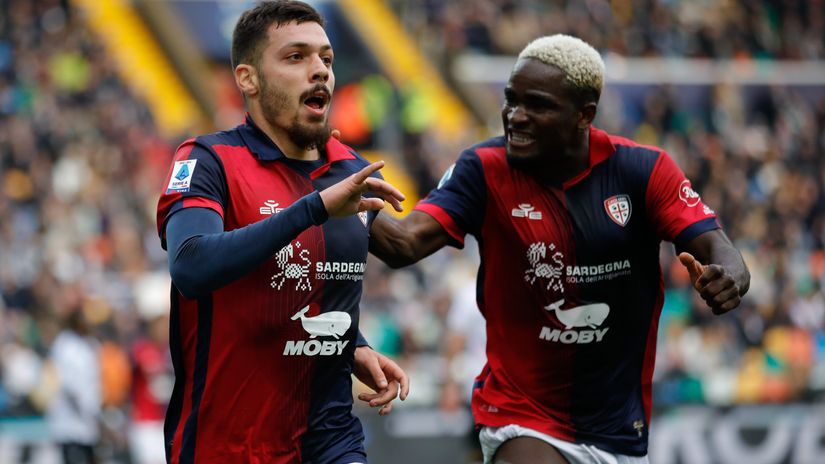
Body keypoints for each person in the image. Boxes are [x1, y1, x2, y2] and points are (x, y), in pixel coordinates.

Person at [369, 34, 750, 464]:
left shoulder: (642, 170)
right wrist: (335, 187)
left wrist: (730, 279)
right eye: (511, 100)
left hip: (617, 427)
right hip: (520, 412)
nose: (516, 116)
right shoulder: (483, 170)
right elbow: (402, 244)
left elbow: (720, 249)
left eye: (538, 105)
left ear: (584, 115)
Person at [155, 2, 409, 463]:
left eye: (326, 59)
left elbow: (314, 285)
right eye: (296, 57)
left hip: (330, 441)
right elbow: (190, 265)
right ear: (248, 78)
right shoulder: (207, 161)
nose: (320, 72)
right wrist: (310, 210)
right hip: (227, 448)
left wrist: (354, 343)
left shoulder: (349, 169)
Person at [46, 309, 101, 464]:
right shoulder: (67, 346)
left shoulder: (88, 344)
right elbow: (70, 386)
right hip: (72, 421)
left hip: (87, 421)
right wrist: (87, 411)